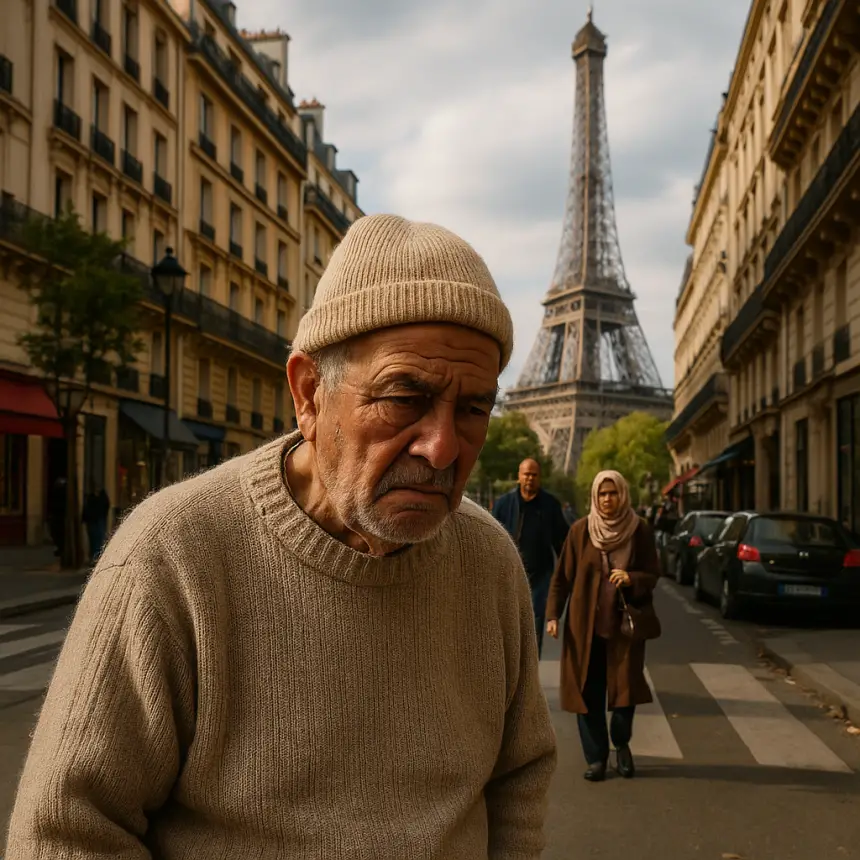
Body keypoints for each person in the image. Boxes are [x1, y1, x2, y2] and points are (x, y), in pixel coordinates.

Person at [6, 214, 557, 859]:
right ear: (309, 393)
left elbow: (518, 781)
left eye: (473, 408)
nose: (441, 448)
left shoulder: (488, 559)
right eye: (404, 398)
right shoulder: (173, 554)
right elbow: (63, 833)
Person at [545, 469, 661, 783]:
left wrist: (632, 578)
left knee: (626, 691)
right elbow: (562, 578)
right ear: (594, 497)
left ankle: (620, 744)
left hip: (623, 627)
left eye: (613, 493)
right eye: (602, 494)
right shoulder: (580, 531)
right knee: (587, 693)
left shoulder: (639, 530)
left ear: (623, 495)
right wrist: (553, 615)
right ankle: (596, 758)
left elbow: (653, 573)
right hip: (585, 627)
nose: (608, 499)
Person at [492, 458, 570, 658]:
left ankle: (530, 671)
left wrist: (568, 573)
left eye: (534, 475)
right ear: (519, 476)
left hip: (540, 578)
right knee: (507, 629)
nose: (530, 478)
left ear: (540, 478)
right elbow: (490, 540)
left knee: (534, 630)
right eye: (526, 474)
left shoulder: (550, 505)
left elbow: (562, 543)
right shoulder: (503, 504)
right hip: (508, 577)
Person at [81, 482, 110, 563]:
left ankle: (96, 557)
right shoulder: (91, 497)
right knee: (94, 540)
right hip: (93, 521)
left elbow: (106, 506)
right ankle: (95, 557)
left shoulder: (102, 496)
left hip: (98, 520)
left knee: (98, 539)